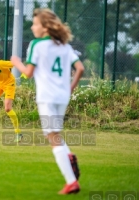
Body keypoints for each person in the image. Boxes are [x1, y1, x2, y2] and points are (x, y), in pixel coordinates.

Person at [10, 8, 84, 195]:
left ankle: (71, 182)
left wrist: (16, 61)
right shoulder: (65, 46)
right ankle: (68, 156)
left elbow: (27, 73)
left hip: (47, 97)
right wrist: (71, 87)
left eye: (35, 23)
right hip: (62, 96)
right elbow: (80, 68)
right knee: (54, 134)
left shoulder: (37, 45)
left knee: (52, 137)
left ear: (44, 27)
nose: (33, 27)